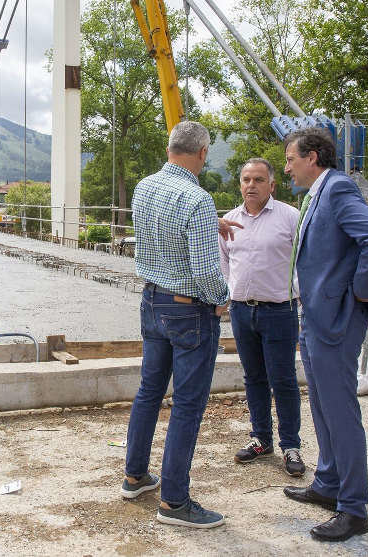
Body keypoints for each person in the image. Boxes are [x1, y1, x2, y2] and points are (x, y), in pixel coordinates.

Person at [282, 128, 368, 542]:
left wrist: (360, 293)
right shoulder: (317, 194)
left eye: (291, 158)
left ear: (313, 157)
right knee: (324, 407)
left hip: (335, 319)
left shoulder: (338, 188)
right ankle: (328, 483)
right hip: (313, 317)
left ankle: (353, 507)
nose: (287, 166)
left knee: (340, 411)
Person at [122, 120, 228, 529]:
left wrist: (207, 226)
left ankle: (135, 476)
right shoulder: (198, 200)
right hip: (188, 310)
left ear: (170, 148)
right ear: (202, 153)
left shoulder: (145, 187)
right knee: (187, 403)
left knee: (149, 391)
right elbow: (205, 271)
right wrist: (223, 299)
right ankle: (174, 501)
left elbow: (157, 234)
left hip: (151, 300)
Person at [219, 158, 306, 477]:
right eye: (245, 179)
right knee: (253, 377)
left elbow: (304, 259)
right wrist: (229, 292)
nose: (251, 185)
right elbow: (224, 261)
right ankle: (260, 438)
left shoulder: (290, 218)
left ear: (272, 184)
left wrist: (293, 290)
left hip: (279, 311)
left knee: (283, 380)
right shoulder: (229, 220)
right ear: (239, 184)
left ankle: (290, 445)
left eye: (258, 179)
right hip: (243, 311)